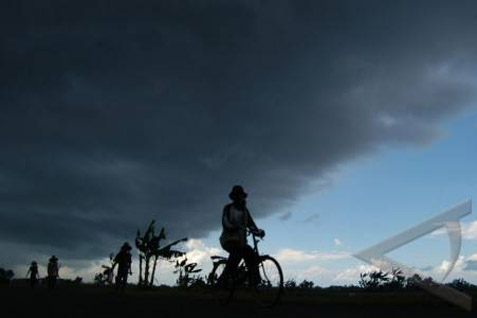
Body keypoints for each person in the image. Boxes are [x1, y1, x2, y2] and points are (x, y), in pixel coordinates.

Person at [218, 185, 265, 288]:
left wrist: (258, 232)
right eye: (237, 196)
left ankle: (255, 280)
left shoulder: (245, 211)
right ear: (234, 197)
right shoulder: (228, 208)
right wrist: (232, 227)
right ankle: (223, 278)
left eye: (241, 196)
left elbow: (251, 224)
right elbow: (225, 222)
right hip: (228, 240)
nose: (240, 198)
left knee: (252, 256)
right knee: (236, 254)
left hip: (241, 242)